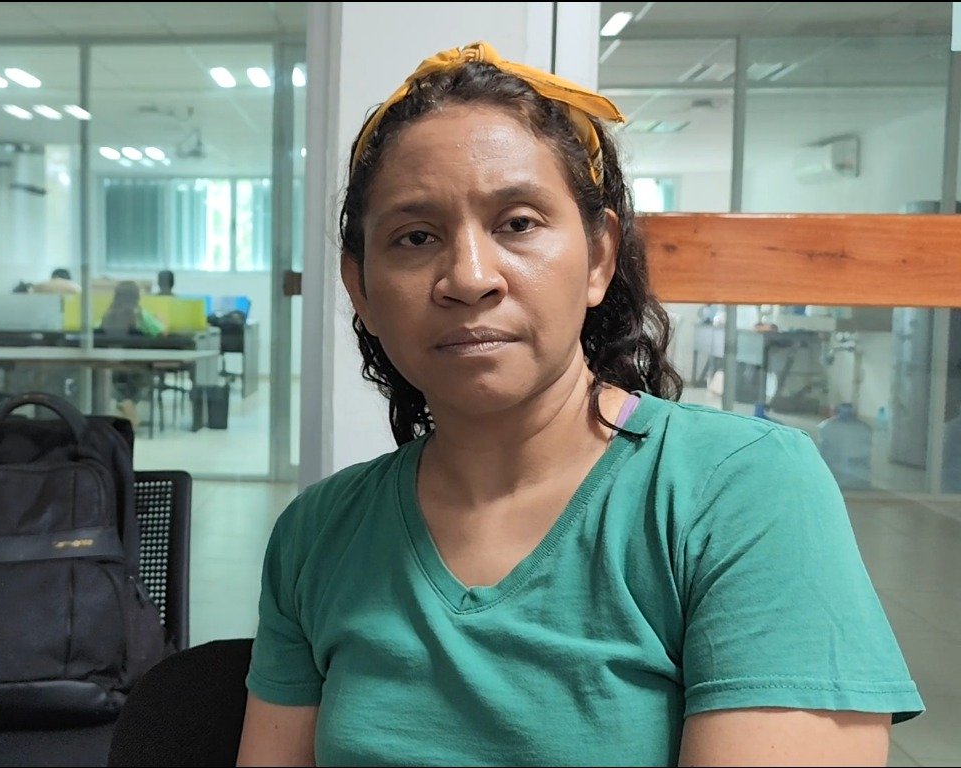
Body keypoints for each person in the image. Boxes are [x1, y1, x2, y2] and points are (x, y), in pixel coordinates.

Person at [238, 42, 922, 767]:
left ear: (599, 257)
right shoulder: (318, 534)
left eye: (518, 223)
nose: (469, 278)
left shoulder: (740, 490)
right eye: (415, 237)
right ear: (360, 288)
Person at [99, 280, 164, 424]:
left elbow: (98, 332)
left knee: (119, 382)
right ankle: (129, 404)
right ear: (137, 297)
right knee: (141, 379)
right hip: (138, 368)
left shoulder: (107, 316)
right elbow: (160, 332)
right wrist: (160, 320)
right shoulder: (141, 315)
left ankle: (124, 403)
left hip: (111, 366)